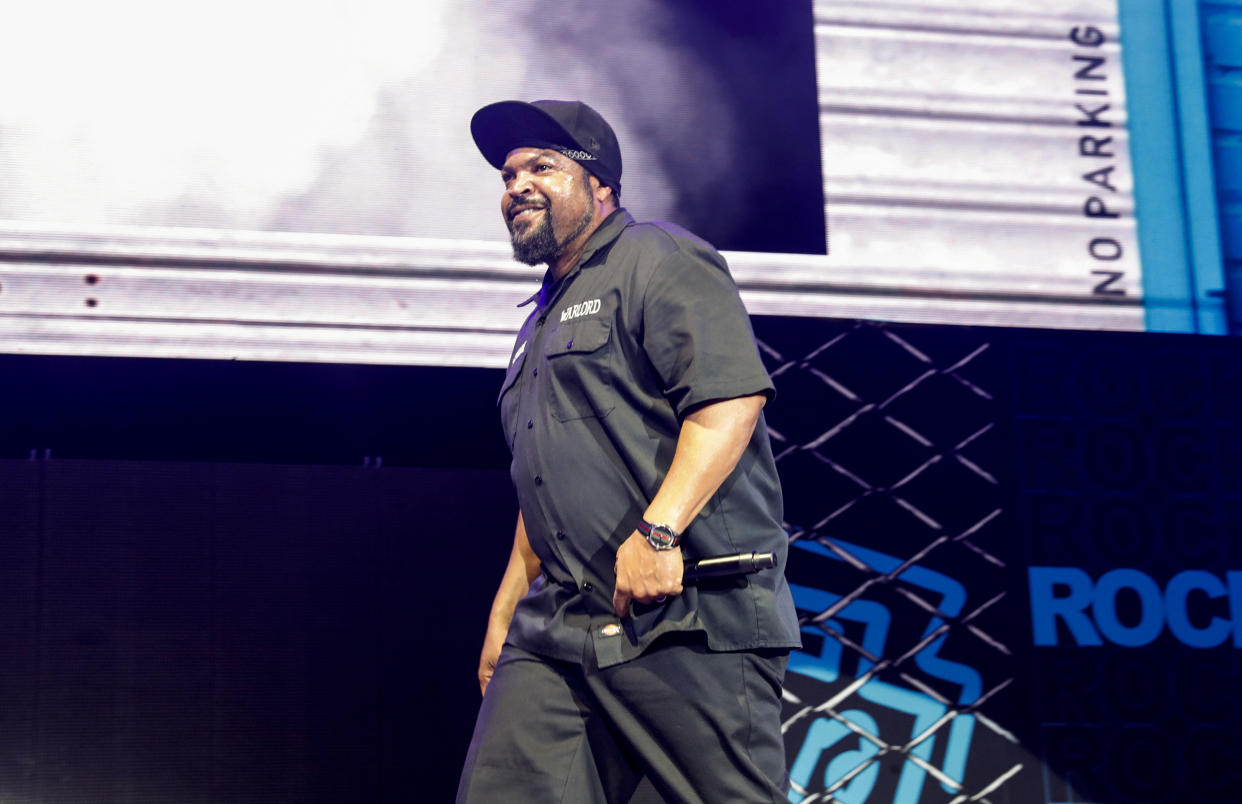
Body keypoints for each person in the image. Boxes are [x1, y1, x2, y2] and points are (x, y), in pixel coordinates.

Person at [457, 99, 801, 804]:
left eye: (541, 167)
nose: (514, 185)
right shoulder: (539, 319)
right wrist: (505, 609)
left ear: (601, 185)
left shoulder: (661, 259)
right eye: (507, 173)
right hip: (558, 628)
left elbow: (730, 402)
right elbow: (547, 476)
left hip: (684, 615)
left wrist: (659, 530)